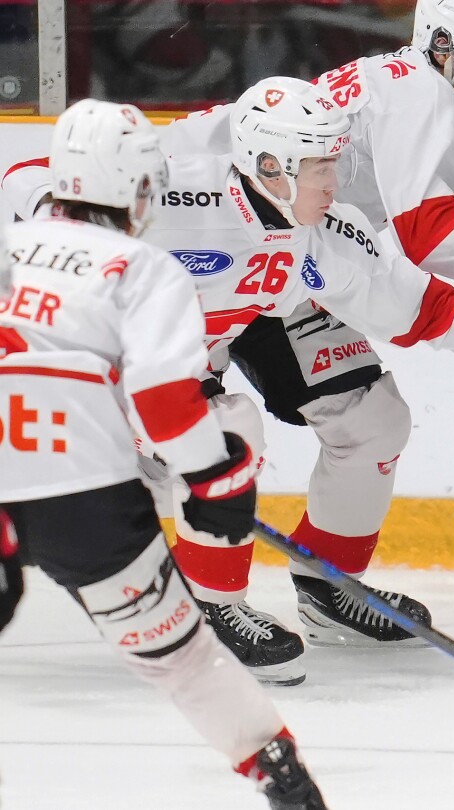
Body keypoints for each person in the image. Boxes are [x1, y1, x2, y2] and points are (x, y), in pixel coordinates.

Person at [1, 0, 454, 683]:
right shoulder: (175, 199)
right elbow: (27, 180)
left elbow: (406, 297)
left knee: (373, 418)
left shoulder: (320, 228)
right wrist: (63, 227)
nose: (335, 180)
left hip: (243, 310)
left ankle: (320, 587)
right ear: (273, 166)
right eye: (320, 166)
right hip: (115, 351)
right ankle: (209, 611)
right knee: (213, 436)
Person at [0, 99, 325, 809]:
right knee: (183, 661)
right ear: (143, 190)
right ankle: (285, 780)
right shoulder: (143, 268)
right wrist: (217, 479)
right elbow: (165, 404)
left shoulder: (7, 246)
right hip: (84, 500)